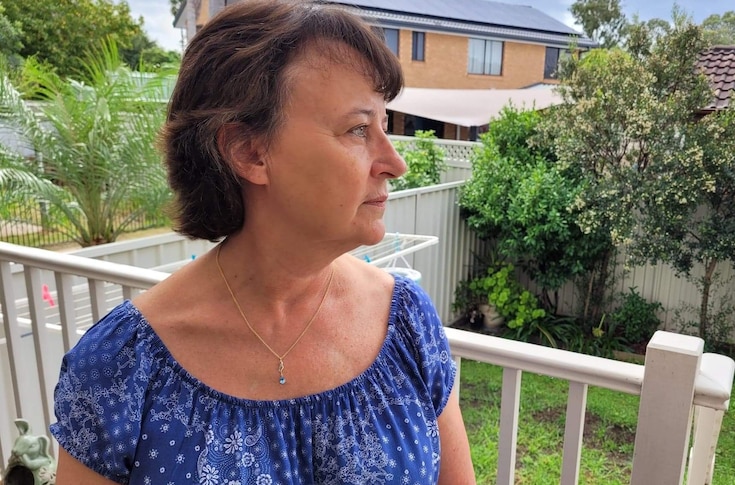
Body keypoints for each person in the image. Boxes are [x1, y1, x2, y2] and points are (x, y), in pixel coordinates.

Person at [49, 1, 476, 483]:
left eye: (384, 124)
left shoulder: (407, 325)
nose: (394, 162)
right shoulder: (122, 367)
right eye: (358, 129)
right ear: (250, 152)